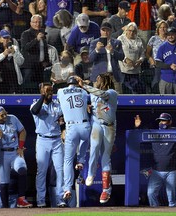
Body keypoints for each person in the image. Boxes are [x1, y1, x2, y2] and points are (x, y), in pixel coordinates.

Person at [76, 73, 117, 204]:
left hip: (109, 126)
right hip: (96, 123)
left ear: (104, 82)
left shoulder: (112, 92)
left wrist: (85, 86)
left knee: (105, 157)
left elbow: (102, 95)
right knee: (94, 148)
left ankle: (106, 189)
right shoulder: (92, 94)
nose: (96, 82)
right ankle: (91, 174)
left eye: (98, 80)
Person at [30, 82, 65, 208]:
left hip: (56, 140)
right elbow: (35, 111)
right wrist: (42, 96)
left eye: (50, 90)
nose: (49, 93)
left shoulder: (57, 105)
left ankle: (60, 199)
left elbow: (64, 117)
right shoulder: (36, 104)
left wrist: (63, 124)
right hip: (42, 140)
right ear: (41, 92)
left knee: (60, 170)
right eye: (46, 90)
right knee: (42, 171)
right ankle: (40, 200)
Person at [134, 113, 176, 207]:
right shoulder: (153, 133)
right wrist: (137, 127)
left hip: (172, 171)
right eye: (160, 121)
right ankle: (156, 212)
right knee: (151, 193)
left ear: (170, 122)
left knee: (171, 198)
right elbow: (137, 135)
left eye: (164, 120)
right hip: (156, 171)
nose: (161, 123)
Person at [57, 76, 91, 200]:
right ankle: (81, 161)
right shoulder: (83, 91)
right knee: (85, 140)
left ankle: (66, 188)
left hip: (71, 126)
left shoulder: (60, 91)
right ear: (77, 83)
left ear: (68, 83)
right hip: (85, 124)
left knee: (67, 160)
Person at [89, 21, 125, 94]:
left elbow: (122, 57)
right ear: (100, 31)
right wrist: (97, 50)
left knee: (117, 97)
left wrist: (112, 51)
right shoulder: (94, 43)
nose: (105, 32)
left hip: (113, 75)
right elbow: (90, 59)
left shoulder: (117, 43)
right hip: (99, 76)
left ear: (111, 31)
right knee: (97, 98)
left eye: (107, 30)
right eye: (103, 30)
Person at [20, 14, 50, 92]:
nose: (37, 24)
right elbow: (25, 47)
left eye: (39, 22)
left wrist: (46, 61)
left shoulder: (43, 34)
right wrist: (36, 40)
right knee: (28, 88)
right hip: (29, 67)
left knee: (39, 88)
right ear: (31, 23)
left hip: (40, 67)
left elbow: (45, 49)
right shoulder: (26, 34)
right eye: (35, 22)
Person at [0, 29, 24, 94]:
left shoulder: (15, 48)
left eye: (7, 38)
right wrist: (3, 54)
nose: (6, 40)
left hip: (13, 78)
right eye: (4, 38)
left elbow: (21, 62)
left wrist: (14, 53)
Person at [117, 22, 146, 94]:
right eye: (130, 30)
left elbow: (142, 54)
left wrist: (140, 61)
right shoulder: (121, 39)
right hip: (123, 71)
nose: (131, 32)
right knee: (125, 93)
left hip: (135, 71)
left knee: (136, 92)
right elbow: (117, 52)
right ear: (126, 30)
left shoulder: (139, 40)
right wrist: (125, 59)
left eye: (134, 31)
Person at [145, 20, 168, 93]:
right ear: (158, 29)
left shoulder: (170, 39)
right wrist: (151, 59)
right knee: (156, 83)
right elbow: (147, 53)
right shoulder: (153, 38)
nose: (162, 29)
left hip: (167, 66)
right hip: (156, 65)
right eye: (160, 27)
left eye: (164, 27)